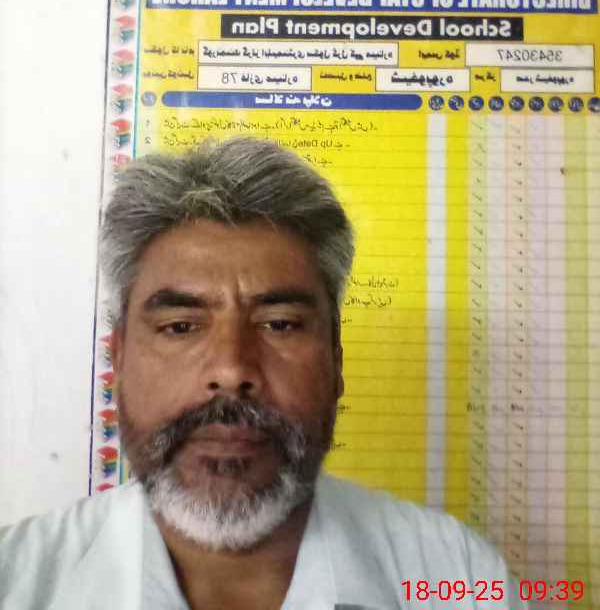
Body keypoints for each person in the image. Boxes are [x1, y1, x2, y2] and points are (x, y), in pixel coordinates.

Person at [0, 137, 525, 610]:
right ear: (118, 361)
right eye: (180, 327)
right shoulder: (17, 578)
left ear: (336, 360)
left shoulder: (459, 577)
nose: (231, 370)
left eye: (280, 324)